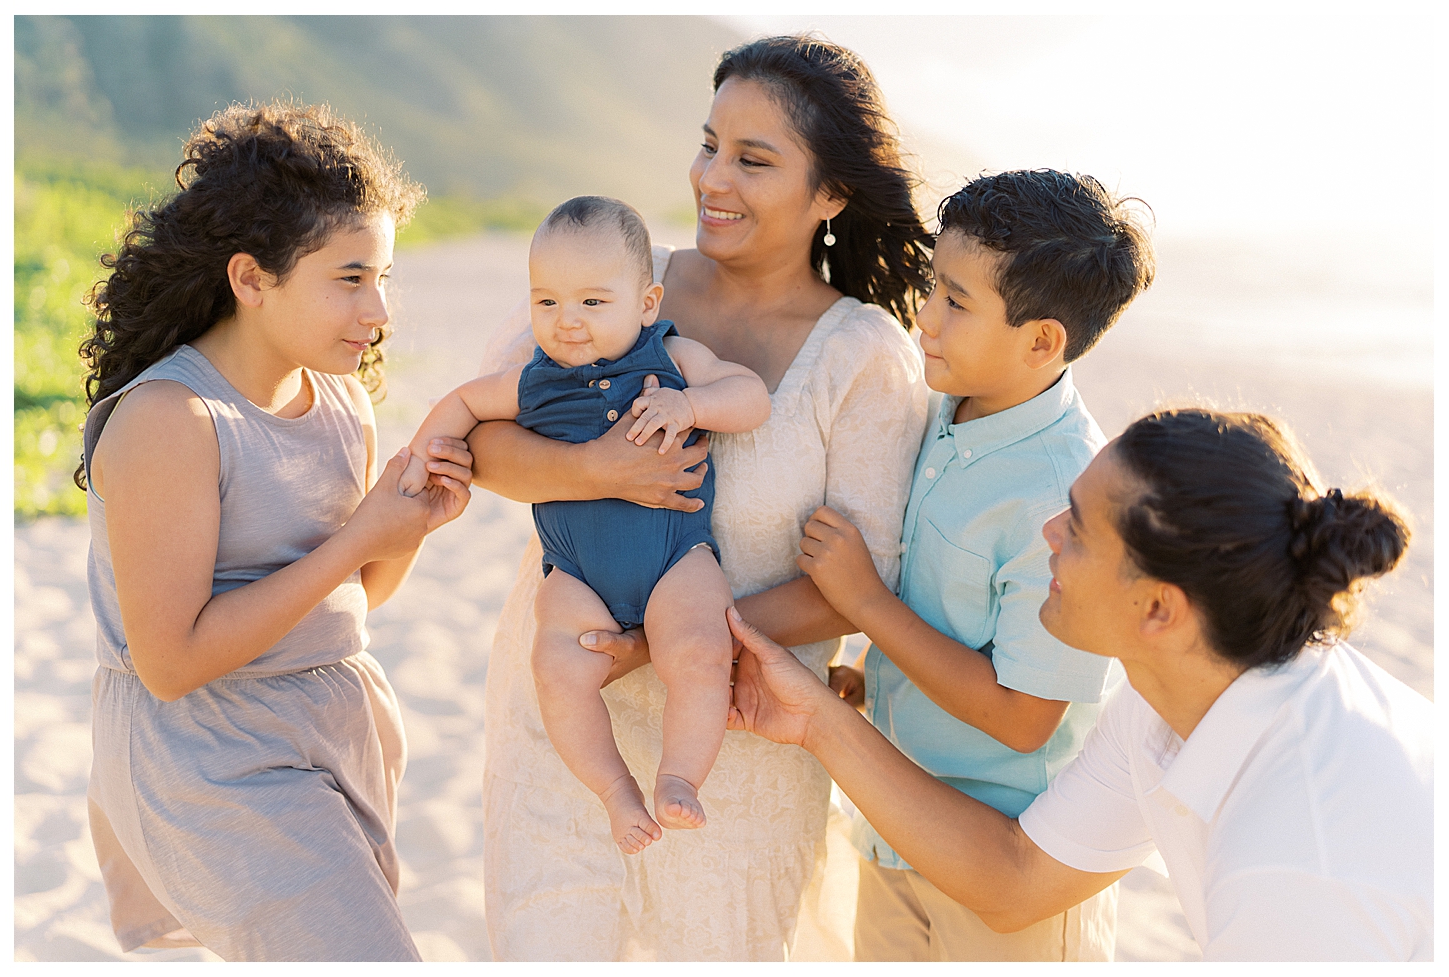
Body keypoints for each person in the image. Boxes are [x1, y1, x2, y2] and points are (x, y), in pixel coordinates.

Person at [467, 36, 934, 960]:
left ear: (831, 195)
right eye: (709, 143)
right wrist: (600, 470)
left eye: (753, 160)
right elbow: (482, 443)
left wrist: (670, 641)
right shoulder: (617, 283)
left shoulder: (865, 356)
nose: (712, 176)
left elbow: (855, 579)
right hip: (564, 713)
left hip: (738, 749)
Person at [727, 408, 1432, 961]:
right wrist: (816, 719)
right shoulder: (1174, 702)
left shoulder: (1295, 867)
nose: (1049, 531)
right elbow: (1016, 878)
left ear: (1159, 608)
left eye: (1081, 530)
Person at [77, 102, 474, 961]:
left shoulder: (343, 401)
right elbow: (171, 662)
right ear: (251, 278)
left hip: (337, 731)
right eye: (350, 277)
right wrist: (356, 536)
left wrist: (405, 527)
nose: (378, 307)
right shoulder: (171, 418)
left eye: (385, 277)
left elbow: (355, 599)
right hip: (211, 755)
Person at [793, 169, 1155, 961]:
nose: (926, 317)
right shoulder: (936, 411)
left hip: (1009, 863)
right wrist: (869, 665)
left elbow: (1026, 718)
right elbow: (943, 597)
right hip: (895, 829)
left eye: (957, 302)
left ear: (1041, 341)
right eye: (933, 287)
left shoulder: (1064, 495)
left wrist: (865, 605)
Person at [400, 196, 770, 852]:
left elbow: (750, 397)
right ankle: (614, 789)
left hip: (675, 556)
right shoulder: (534, 382)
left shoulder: (671, 357)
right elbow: (462, 400)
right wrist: (425, 453)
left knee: (701, 650)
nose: (567, 322)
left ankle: (680, 775)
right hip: (577, 572)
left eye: (593, 303)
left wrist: (691, 405)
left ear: (646, 303)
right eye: (547, 302)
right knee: (557, 665)